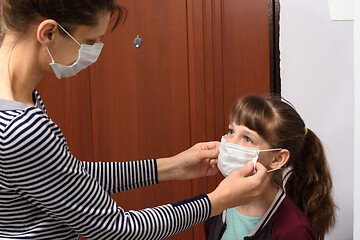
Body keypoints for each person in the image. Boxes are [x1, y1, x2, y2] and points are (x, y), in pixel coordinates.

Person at [0, 1, 270, 239]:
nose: (94, 52)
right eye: (90, 41)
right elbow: (118, 228)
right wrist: (218, 201)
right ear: (49, 33)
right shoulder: (22, 128)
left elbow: (64, 177)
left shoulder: (20, 99)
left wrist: (171, 167)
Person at [205, 95, 337, 240]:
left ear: (277, 159)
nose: (230, 143)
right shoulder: (218, 204)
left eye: (247, 139)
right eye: (231, 131)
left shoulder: (294, 230)